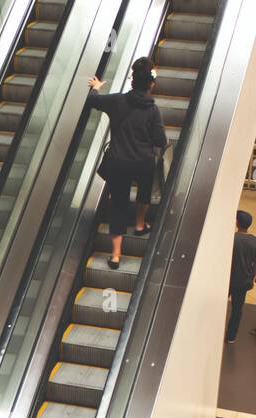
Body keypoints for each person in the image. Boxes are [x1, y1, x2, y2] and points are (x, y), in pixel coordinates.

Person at [87, 58, 167, 270]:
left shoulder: (116, 101)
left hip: (119, 162)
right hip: (143, 162)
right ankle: (140, 224)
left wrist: (96, 88)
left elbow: (92, 101)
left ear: (132, 81)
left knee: (119, 205)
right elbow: (161, 141)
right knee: (144, 192)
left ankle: (115, 255)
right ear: (150, 84)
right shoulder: (153, 111)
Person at [226, 210, 256, 343]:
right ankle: (231, 336)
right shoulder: (255, 241)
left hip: (228, 279)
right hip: (244, 280)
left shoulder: (231, 238)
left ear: (237, 223)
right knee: (237, 309)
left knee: (220, 305)